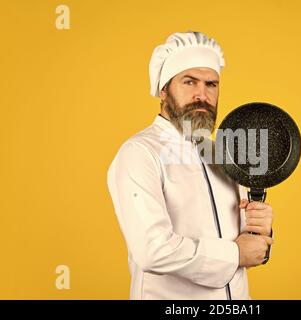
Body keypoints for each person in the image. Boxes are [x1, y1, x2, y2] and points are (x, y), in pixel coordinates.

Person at [107, 31, 274, 300]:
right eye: (189, 82)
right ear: (163, 90)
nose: (202, 94)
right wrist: (236, 254)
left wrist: (259, 230)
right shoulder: (139, 153)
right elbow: (153, 250)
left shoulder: (222, 154)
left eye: (211, 84)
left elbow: (239, 240)